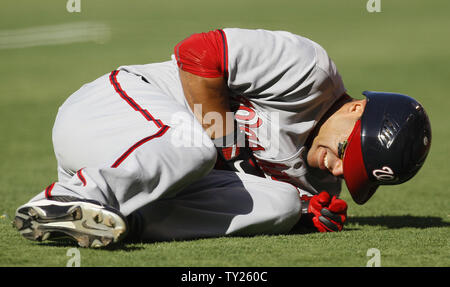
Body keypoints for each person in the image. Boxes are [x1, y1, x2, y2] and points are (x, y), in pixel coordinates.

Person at [13, 28, 431, 247]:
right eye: (346, 152)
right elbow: (198, 52)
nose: (336, 169)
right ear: (356, 108)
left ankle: (117, 221)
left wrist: (304, 216)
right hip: (111, 109)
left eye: (352, 172)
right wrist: (224, 138)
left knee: (282, 204)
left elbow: (236, 197)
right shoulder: (309, 70)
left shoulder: (318, 178)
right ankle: (70, 195)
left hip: (130, 170)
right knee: (196, 147)